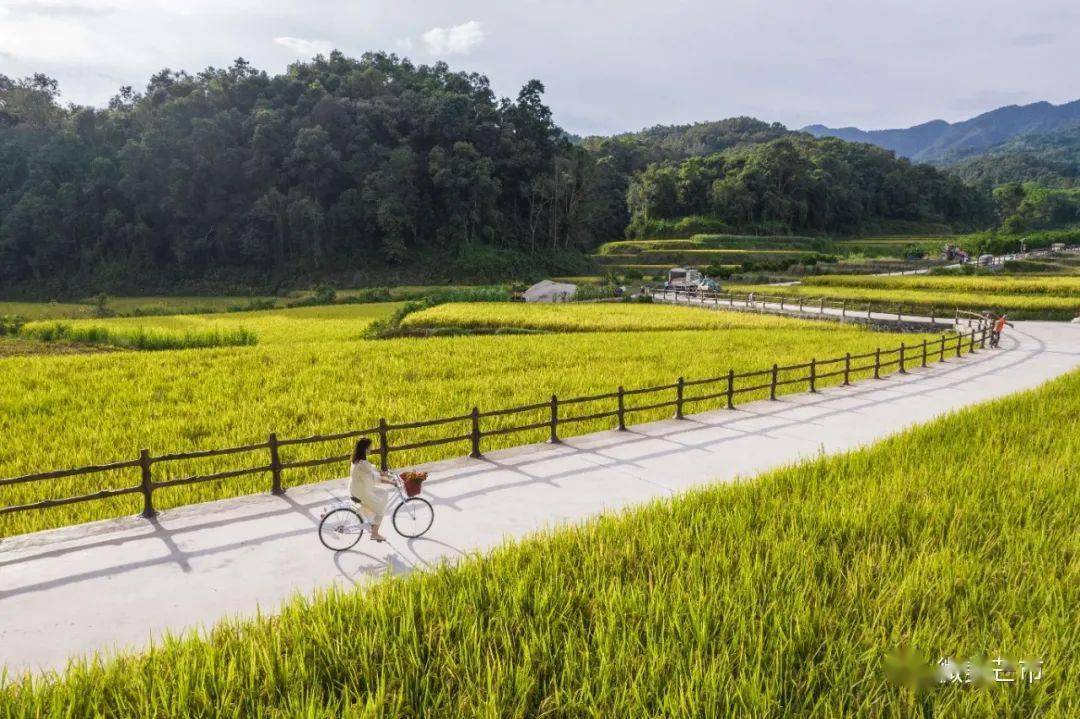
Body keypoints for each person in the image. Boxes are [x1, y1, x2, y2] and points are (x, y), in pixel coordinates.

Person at [349, 437, 394, 542]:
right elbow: (375, 477)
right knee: (380, 509)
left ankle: (371, 520)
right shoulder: (362, 464)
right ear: (365, 449)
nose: (371, 449)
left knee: (383, 493)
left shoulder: (357, 459)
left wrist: (385, 474)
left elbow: (372, 472)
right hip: (361, 491)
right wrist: (392, 482)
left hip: (357, 488)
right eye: (370, 447)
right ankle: (375, 533)